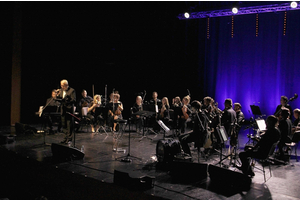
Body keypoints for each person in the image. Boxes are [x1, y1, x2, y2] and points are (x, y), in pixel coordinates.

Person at [56, 79, 76, 144]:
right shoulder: (61, 90)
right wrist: (57, 95)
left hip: (69, 110)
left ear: (66, 85)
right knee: (64, 124)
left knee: (69, 125)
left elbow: (74, 100)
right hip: (63, 110)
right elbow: (59, 98)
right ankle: (65, 138)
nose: (61, 87)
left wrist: (66, 101)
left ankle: (69, 139)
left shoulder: (72, 90)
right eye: (61, 85)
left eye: (63, 85)